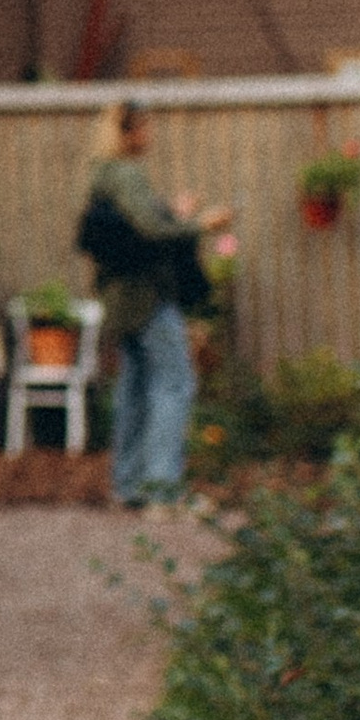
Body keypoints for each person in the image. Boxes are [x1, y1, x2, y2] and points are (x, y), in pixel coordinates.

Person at [79, 99, 218, 508]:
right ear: (129, 132)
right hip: (146, 297)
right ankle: (162, 491)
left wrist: (174, 213)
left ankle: (129, 486)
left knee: (136, 388)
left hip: (118, 298)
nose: (149, 135)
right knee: (175, 383)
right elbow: (152, 232)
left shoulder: (100, 175)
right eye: (144, 127)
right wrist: (199, 224)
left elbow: (131, 229)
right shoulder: (127, 175)